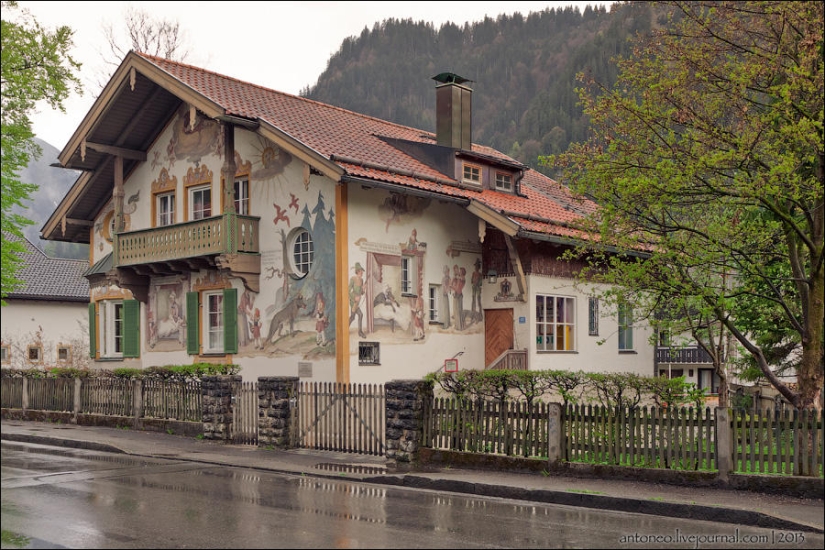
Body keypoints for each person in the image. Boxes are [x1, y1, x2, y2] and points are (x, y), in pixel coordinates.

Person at [348, 262, 367, 338]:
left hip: (358, 301)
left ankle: (346, 328)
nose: (362, 272)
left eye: (362, 271)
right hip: (353, 301)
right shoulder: (352, 279)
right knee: (360, 314)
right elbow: (348, 291)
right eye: (360, 271)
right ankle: (360, 332)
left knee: (352, 317)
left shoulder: (362, 280)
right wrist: (354, 297)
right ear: (357, 271)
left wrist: (363, 289)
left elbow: (361, 293)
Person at [471, 258, 483, 323]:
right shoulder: (473, 273)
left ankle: (480, 316)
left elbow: (481, 283)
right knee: (473, 301)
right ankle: (473, 315)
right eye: (475, 266)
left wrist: (477, 282)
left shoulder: (480, 274)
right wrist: (474, 281)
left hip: (478, 288)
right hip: (474, 288)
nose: (476, 267)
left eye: (477, 266)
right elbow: (471, 281)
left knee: (478, 301)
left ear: (479, 267)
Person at [441, 265, 451, 329]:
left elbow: (448, 286)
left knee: (446, 309)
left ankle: (446, 324)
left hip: (445, 294)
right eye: (446, 271)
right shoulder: (445, 278)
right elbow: (443, 285)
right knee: (445, 309)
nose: (447, 272)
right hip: (444, 294)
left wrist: (446, 290)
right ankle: (447, 323)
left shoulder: (448, 278)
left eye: (447, 271)